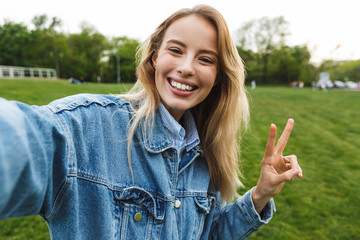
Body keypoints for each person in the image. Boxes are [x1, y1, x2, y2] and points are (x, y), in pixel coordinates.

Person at [0, 5, 302, 239]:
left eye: (205, 59)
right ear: (154, 57)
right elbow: (21, 140)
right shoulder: (86, 127)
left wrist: (260, 195)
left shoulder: (204, 153)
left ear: (219, 77)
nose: (186, 68)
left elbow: (208, 234)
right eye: (176, 50)